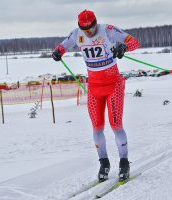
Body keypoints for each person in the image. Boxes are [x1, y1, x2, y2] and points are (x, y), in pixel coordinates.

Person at [52, 10, 140, 182]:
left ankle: (124, 162)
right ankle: (104, 162)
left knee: (116, 125)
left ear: (95, 23)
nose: (88, 32)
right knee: (97, 127)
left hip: (113, 84)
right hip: (94, 88)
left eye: (91, 28)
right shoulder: (77, 34)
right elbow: (63, 46)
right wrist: (58, 52)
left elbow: (135, 42)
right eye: (84, 29)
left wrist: (124, 46)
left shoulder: (108, 30)